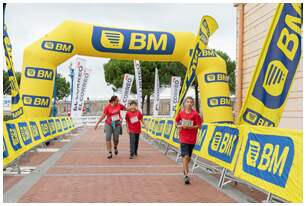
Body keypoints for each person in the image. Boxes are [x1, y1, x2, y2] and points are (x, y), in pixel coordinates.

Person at [175, 96, 202, 185]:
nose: (189, 103)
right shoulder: (181, 113)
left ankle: (184, 168)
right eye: (187, 101)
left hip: (192, 138)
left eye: (191, 102)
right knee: (185, 156)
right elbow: (176, 122)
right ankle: (186, 175)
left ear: (193, 104)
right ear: (185, 103)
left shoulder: (195, 114)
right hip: (183, 137)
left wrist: (190, 127)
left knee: (188, 158)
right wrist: (178, 126)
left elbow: (199, 126)